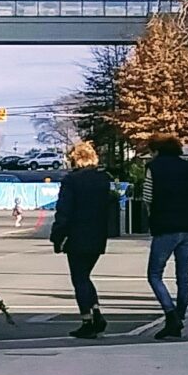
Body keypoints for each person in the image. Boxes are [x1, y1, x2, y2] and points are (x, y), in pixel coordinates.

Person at [49, 140, 114, 339]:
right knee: (85, 276)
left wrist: (58, 234)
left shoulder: (72, 181)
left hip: (76, 234)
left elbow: (64, 210)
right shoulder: (103, 179)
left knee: (79, 278)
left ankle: (88, 319)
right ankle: (95, 313)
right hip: (98, 234)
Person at [141, 135, 188, 340]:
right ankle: (180, 317)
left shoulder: (154, 167)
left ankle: (170, 314)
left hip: (165, 227)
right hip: (187, 226)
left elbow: (148, 197)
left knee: (154, 274)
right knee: (183, 276)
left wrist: (152, 217)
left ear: (156, 150)